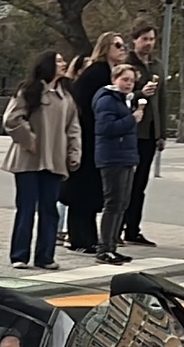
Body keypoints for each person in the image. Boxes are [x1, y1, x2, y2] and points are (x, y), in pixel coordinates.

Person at [1, 49, 80, 271]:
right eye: (59, 61)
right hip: (29, 159)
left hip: (54, 160)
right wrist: (29, 138)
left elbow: (73, 128)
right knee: (26, 208)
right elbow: (12, 118)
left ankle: (45, 256)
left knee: (49, 210)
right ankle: (19, 255)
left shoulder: (66, 97)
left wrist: (74, 153)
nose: (63, 64)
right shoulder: (30, 90)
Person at [65, 32, 127, 253]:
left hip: (98, 138)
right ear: (105, 47)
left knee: (92, 190)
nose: (122, 49)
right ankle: (80, 238)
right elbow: (81, 103)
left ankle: (89, 237)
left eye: (123, 45)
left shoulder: (111, 73)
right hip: (88, 136)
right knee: (83, 188)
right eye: (117, 45)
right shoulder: (95, 73)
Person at [93, 64, 144, 266]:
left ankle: (112, 245)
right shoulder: (107, 100)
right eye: (125, 80)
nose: (128, 84)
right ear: (115, 79)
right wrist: (131, 119)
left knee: (122, 203)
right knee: (113, 203)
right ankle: (104, 247)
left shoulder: (125, 100)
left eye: (131, 81)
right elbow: (105, 127)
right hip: (112, 156)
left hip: (125, 155)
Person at [123, 19, 163, 245]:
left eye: (152, 39)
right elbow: (122, 92)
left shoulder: (157, 65)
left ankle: (133, 228)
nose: (149, 43)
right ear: (135, 40)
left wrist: (161, 133)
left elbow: (162, 99)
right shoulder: (128, 64)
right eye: (144, 39)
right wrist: (140, 92)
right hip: (131, 131)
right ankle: (117, 227)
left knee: (140, 184)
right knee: (125, 183)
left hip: (149, 132)